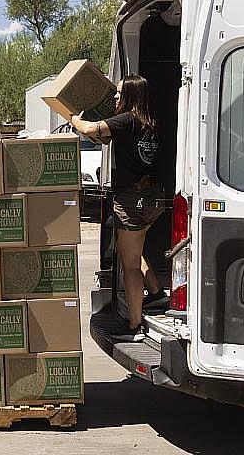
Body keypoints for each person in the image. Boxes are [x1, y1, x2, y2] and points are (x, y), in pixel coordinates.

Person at [71, 75, 167, 342]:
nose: (115, 96)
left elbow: (90, 131)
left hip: (131, 201)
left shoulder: (126, 120)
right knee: (136, 248)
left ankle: (134, 324)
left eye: (120, 92)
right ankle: (157, 294)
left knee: (130, 266)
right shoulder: (151, 123)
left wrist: (73, 119)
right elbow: (113, 141)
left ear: (131, 96)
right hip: (152, 200)